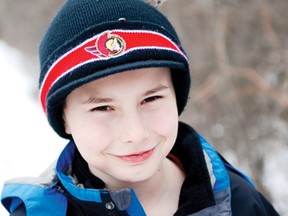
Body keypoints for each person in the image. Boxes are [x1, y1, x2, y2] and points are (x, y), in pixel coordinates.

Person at [1, 0, 280, 215]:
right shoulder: (40, 211)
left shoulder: (237, 200)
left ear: (175, 96)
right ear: (64, 119)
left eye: (151, 100)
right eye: (103, 108)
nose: (135, 134)